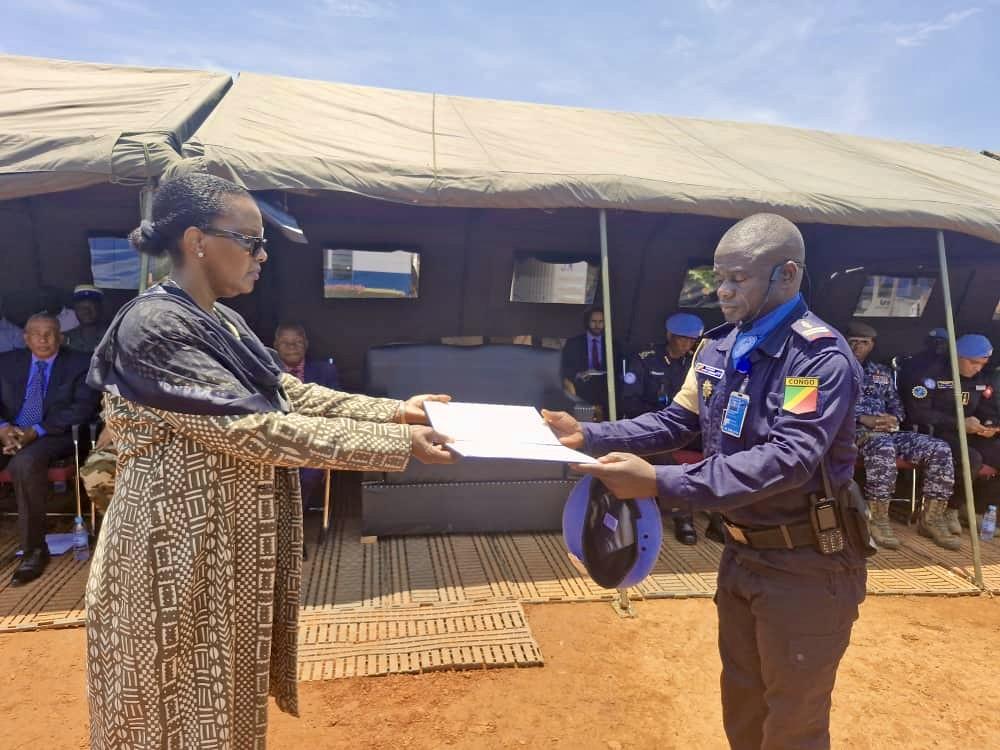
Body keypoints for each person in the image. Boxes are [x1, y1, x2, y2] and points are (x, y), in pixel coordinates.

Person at [84, 173, 456, 750]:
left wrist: (396, 412)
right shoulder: (152, 328)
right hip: (169, 556)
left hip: (223, 552)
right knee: (165, 710)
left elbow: (287, 394)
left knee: (223, 706)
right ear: (196, 241)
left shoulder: (222, 321)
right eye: (251, 241)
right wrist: (395, 445)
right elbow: (253, 430)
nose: (262, 256)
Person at [544, 213, 867, 750]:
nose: (723, 291)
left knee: (793, 723)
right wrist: (589, 433)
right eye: (717, 278)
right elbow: (677, 421)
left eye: (738, 278)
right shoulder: (718, 347)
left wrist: (658, 481)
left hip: (807, 566)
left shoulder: (814, 360)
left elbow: (788, 459)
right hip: (740, 555)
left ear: (787, 275)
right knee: (742, 703)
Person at [0, 313, 99, 584]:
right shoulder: (7, 362)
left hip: (54, 434)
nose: (43, 339)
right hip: (10, 431)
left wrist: (35, 431)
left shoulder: (80, 363)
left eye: (50, 333)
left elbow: (82, 409)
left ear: (61, 337)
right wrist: (4, 429)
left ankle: (34, 550)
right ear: (26, 338)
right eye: (36, 333)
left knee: (24, 463)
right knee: (21, 456)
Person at [845, 321, 955, 550]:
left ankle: (932, 518)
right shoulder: (834, 368)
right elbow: (826, 406)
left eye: (864, 342)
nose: (857, 347)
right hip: (851, 433)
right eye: (853, 342)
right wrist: (862, 418)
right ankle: (877, 519)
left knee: (939, 448)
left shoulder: (881, 372)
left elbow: (898, 406)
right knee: (882, 446)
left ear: (872, 345)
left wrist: (893, 419)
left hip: (887, 431)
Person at [900, 333, 1000, 537]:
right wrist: (958, 423)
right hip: (936, 432)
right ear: (957, 356)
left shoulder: (981, 378)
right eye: (973, 362)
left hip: (970, 431)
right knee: (971, 458)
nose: (978, 368)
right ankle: (950, 510)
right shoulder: (930, 374)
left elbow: (987, 408)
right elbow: (918, 412)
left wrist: (989, 425)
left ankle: (975, 510)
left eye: (982, 364)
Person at [622, 312, 709, 544]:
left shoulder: (695, 363)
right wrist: (660, 421)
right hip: (653, 424)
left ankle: (720, 519)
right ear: (669, 335)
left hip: (687, 426)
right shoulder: (645, 359)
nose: (687, 344)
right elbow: (630, 402)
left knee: (721, 446)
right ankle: (683, 517)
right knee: (664, 453)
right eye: (682, 338)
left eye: (692, 340)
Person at [274, 322, 341, 519]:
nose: (292, 347)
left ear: (306, 344)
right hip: (276, 439)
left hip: (313, 440)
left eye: (297, 342)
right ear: (275, 346)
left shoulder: (325, 371)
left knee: (308, 472)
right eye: (285, 343)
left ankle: (292, 520)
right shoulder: (267, 372)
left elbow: (336, 408)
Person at [561, 308, 613, 418]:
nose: (597, 325)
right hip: (581, 387)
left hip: (606, 388)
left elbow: (618, 368)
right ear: (587, 322)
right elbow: (564, 367)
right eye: (594, 321)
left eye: (601, 321)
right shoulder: (574, 343)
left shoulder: (612, 343)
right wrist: (578, 374)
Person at [62, 284, 109, 354]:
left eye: (91, 306)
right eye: (81, 307)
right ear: (75, 310)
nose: (86, 311)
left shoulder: (112, 337)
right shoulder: (64, 338)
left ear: (100, 308)